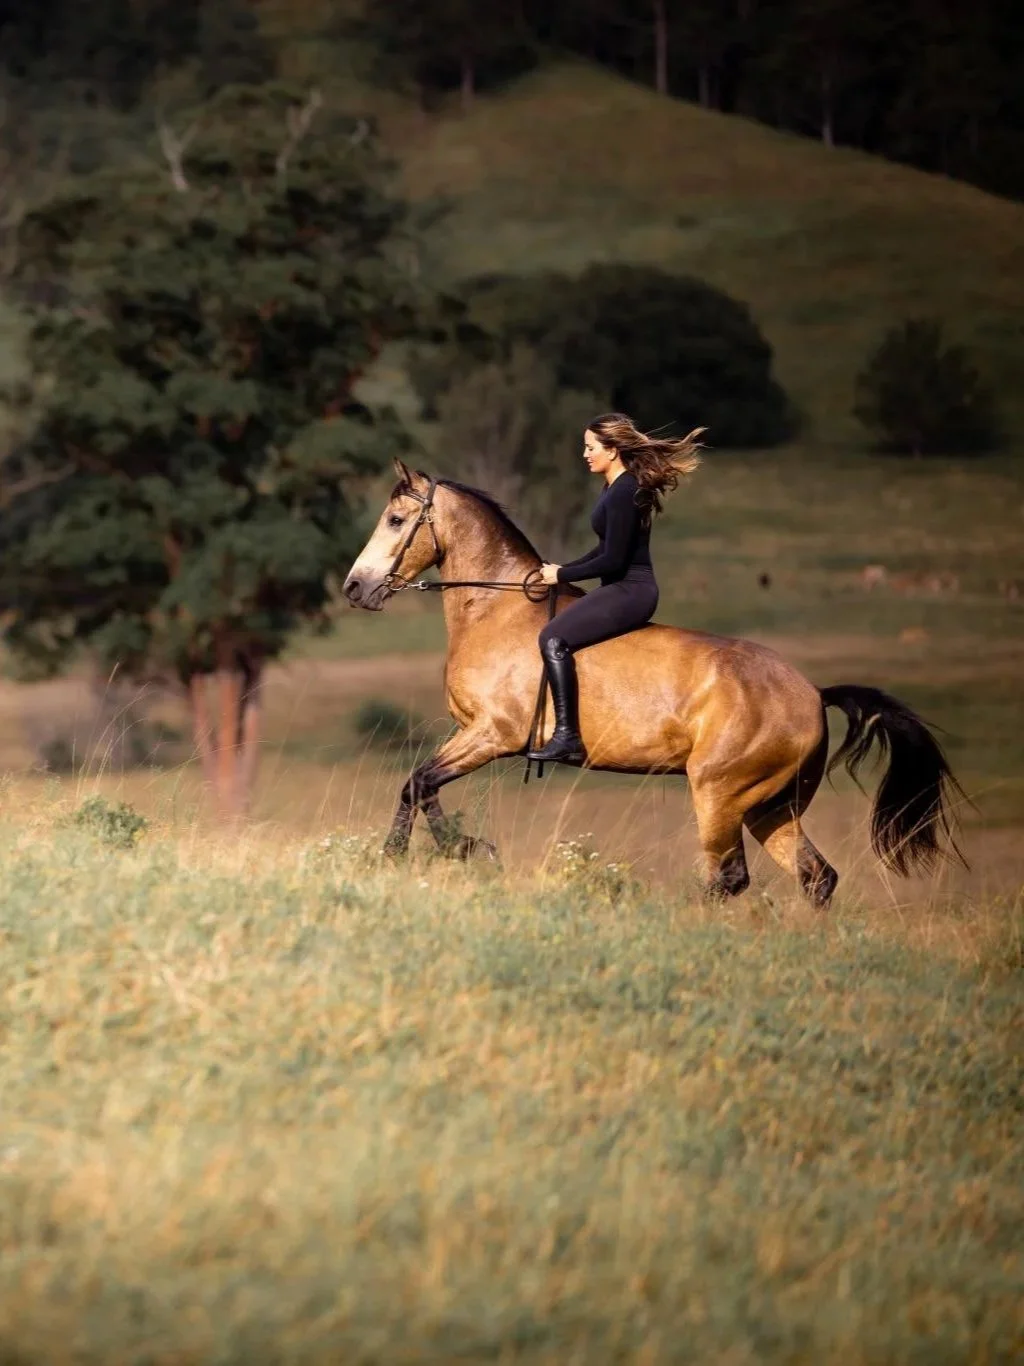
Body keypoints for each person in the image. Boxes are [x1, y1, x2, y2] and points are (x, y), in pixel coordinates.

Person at [526, 412, 704, 765]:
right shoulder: (613, 487)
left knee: (552, 638)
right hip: (621, 587)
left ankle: (567, 737)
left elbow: (612, 561)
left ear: (612, 450)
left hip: (631, 590)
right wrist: (562, 570)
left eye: (590, 447)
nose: (585, 454)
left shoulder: (625, 491)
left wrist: (562, 575)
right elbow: (604, 549)